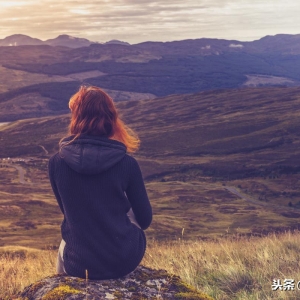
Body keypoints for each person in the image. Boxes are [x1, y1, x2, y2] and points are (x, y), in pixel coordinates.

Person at [48, 85, 152, 280]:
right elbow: (145, 220)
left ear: (76, 118)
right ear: (111, 119)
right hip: (123, 260)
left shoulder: (56, 162)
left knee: (66, 238)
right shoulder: (127, 163)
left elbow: (69, 214)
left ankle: (63, 288)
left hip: (78, 265)